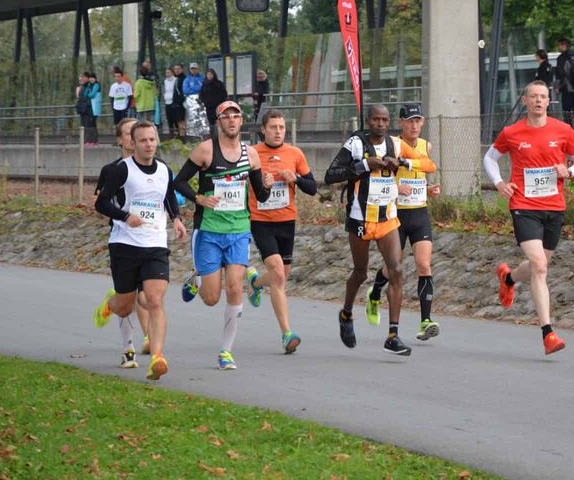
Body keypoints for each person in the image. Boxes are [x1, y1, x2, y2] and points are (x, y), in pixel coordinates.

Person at [483, 81, 574, 356]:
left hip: (554, 207)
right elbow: (490, 158)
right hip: (523, 205)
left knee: (537, 265)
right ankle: (548, 334)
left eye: (543, 96)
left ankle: (508, 279)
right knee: (540, 266)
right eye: (534, 96)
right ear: (525, 101)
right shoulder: (512, 132)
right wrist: (499, 183)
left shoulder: (562, 130)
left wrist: (569, 171)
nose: (539, 100)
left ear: (548, 101)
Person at [324, 104, 437, 357]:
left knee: (396, 270)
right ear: (368, 120)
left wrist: (403, 161)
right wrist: (365, 165)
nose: (381, 124)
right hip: (361, 218)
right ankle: (346, 313)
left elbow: (429, 164)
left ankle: (393, 336)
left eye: (385, 120)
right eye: (376, 119)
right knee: (360, 272)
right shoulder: (356, 143)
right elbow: (331, 175)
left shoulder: (395, 144)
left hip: (388, 217)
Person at [172, 100, 274, 370]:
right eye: (226, 116)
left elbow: (261, 196)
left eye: (235, 116)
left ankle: (226, 351)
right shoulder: (206, 150)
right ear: (218, 122)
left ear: (241, 121)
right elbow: (179, 182)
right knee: (211, 298)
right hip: (209, 231)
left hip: (238, 230)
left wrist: (266, 185)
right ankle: (197, 277)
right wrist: (198, 198)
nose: (231, 120)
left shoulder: (251, 155)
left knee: (235, 287)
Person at [93, 121, 187, 381]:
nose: (149, 145)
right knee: (125, 307)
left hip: (155, 243)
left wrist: (177, 219)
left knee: (155, 300)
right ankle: (110, 303)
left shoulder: (164, 169)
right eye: (143, 140)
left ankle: (157, 358)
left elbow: (167, 197)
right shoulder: (121, 170)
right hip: (125, 244)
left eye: (152, 139)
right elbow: (101, 203)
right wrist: (125, 216)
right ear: (133, 143)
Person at [366, 104, 442, 341]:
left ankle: (426, 321)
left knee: (424, 264)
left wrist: (429, 189)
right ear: (400, 123)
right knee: (393, 268)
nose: (414, 126)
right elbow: (378, 178)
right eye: (409, 121)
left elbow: (423, 174)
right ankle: (375, 292)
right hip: (395, 214)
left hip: (419, 213)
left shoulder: (426, 146)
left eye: (418, 121)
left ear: (423, 122)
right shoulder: (392, 145)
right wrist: (396, 187)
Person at [246, 109, 317, 353]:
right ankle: (287, 333)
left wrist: (295, 178)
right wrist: (261, 184)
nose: (278, 132)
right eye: (273, 127)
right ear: (263, 129)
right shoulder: (252, 153)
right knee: (277, 272)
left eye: (281, 127)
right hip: (261, 220)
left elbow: (312, 187)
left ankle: (256, 282)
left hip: (287, 221)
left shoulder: (295, 153)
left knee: (281, 276)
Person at [93, 118, 152, 367]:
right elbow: (100, 204)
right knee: (129, 297)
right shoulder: (112, 170)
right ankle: (128, 347)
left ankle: (148, 337)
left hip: (149, 239)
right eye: (129, 133)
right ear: (120, 139)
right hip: (123, 239)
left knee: (146, 294)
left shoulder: (153, 167)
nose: (133, 137)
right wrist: (123, 216)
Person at [554, 39, 574, 131]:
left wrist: (557, 87)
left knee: (567, 113)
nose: (558, 47)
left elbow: (560, 74)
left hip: (567, 89)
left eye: (559, 45)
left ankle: (569, 133)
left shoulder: (561, 58)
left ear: (564, 45)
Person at [199, 68, 228, 133]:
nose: (209, 76)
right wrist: (203, 101)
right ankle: (213, 136)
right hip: (209, 107)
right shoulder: (204, 84)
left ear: (214, 75)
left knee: (219, 120)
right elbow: (201, 94)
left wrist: (220, 102)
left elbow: (224, 94)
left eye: (211, 74)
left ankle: (220, 134)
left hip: (218, 106)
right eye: (208, 74)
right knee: (211, 122)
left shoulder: (219, 83)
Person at [76, 72, 100, 145]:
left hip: (89, 108)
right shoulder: (82, 87)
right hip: (83, 108)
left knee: (90, 124)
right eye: (81, 78)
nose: (81, 79)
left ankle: (91, 140)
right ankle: (87, 140)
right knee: (85, 125)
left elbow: (90, 96)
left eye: (83, 77)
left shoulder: (91, 86)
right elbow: (79, 97)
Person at [167, 63, 187, 137]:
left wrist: (179, 102)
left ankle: (183, 137)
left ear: (182, 69)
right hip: (175, 104)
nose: (177, 70)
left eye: (178, 69)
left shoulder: (184, 79)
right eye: (175, 69)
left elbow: (184, 92)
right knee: (177, 122)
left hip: (181, 104)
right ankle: (180, 137)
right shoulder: (177, 78)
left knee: (181, 122)